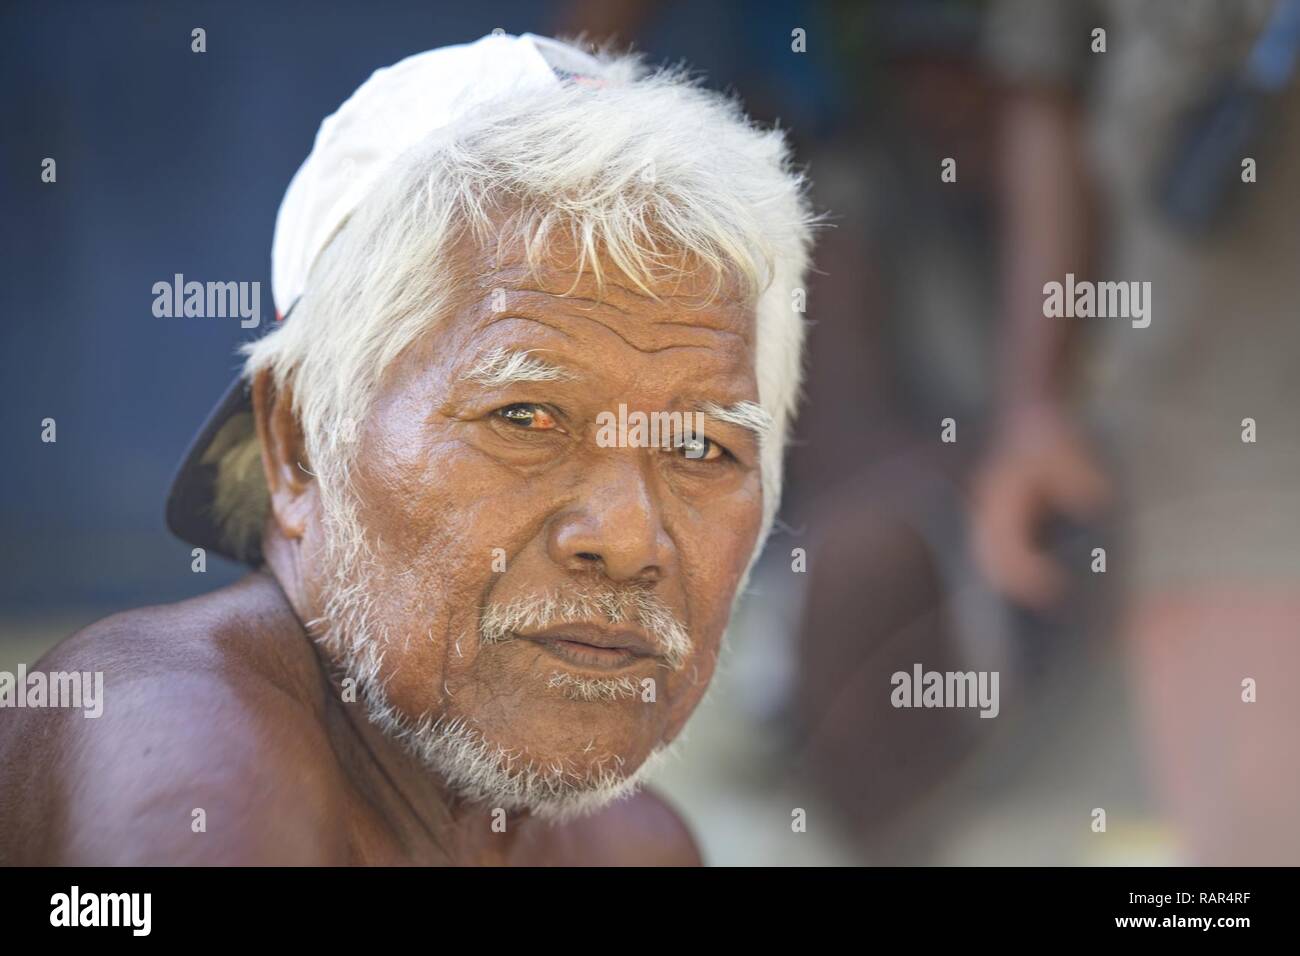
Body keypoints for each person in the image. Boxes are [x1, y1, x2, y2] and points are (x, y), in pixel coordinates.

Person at [0, 32, 814, 865]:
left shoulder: (632, 847)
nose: (630, 539)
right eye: (526, 417)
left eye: (700, 447)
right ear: (300, 442)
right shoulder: (177, 737)